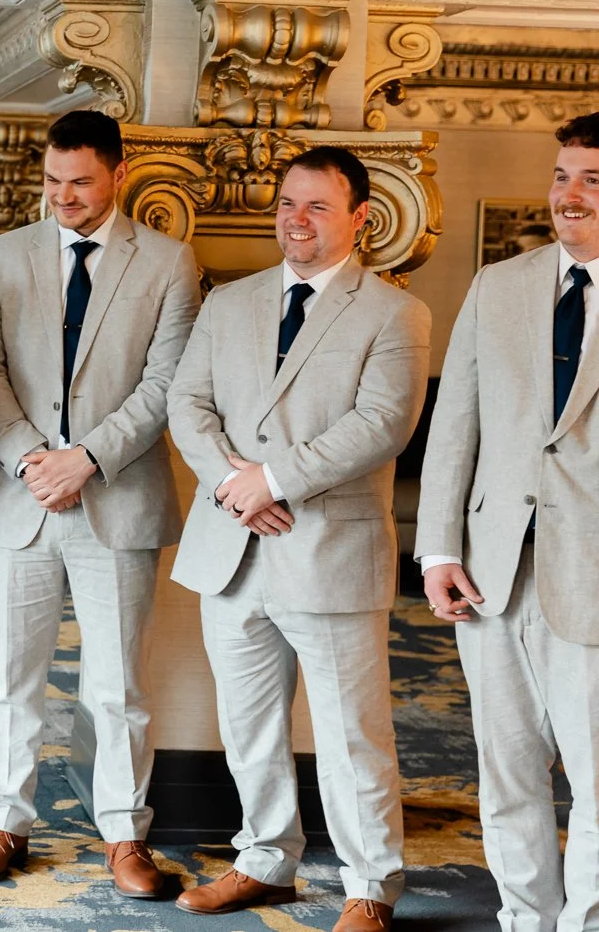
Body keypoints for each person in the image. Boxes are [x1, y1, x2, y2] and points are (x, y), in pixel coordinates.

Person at [166, 147, 429, 932]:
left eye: (317, 206)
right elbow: (187, 402)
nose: (296, 219)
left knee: (353, 735)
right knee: (248, 726)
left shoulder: (393, 312)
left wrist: (272, 481)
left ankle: (370, 885)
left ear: (360, 218)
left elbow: (383, 424)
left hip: (330, 552)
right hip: (232, 550)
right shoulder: (230, 303)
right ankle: (264, 860)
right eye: (287, 202)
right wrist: (231, 483)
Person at [0, 111, 200, 894]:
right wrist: (34, 459)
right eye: (53, 182)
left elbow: (167, 382)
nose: (63, 196)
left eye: (81, 182)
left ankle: (125, 836)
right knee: (11, 672)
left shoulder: (168, 262)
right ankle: (5, 821)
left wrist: (87, 458)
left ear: (118, 174)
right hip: (20, 498)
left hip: (117, 497)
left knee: (117, 680)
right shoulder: (2, 255)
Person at [415, 112, 599, 931]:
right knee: (508, 770)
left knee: (597, 779)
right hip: (494, 573)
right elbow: (454, 424)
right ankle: (527, 917)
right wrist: (438, 549)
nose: (570, 195)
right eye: (563, 175)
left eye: (593, 179)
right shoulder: (501, 284)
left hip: (592, 574)